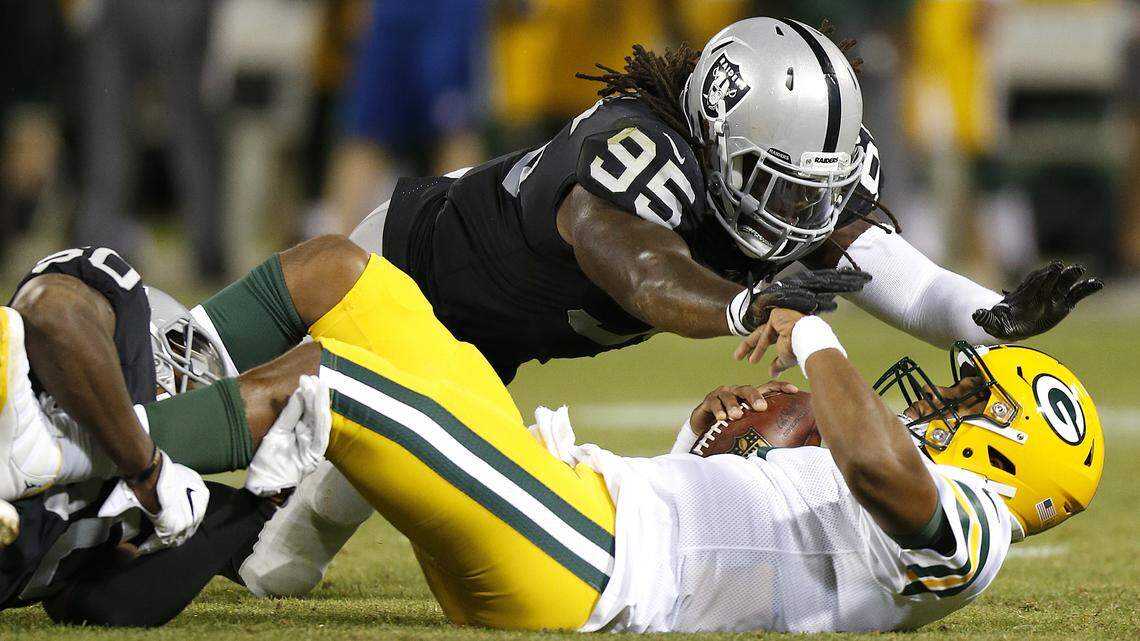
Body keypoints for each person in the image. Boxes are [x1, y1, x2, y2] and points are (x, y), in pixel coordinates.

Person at [224, 15, 1101, 597]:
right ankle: (133, 421)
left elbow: (887, 265)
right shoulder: (640, 149)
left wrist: (990, 316)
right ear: (720, 131)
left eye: (813, 196)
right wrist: (749, 303)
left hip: (492, 342)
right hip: (414, 262)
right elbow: (643, 273)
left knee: (287, 559)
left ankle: (162, 495)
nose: (800, 217)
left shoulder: (786, 177)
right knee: (235, 380)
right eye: (779, 189)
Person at [143, 247, 1102, 631]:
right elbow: (738, 544)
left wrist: (813, 330)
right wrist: (713, 436)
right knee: (345, 279)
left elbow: (882, 469)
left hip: (585, 560)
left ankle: (99, 452)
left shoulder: (973, 534)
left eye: (965, 392)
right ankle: (160, 399)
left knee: (340, 386)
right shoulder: (886, 517)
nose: (936, 393)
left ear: (1016, 446)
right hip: (575, 502)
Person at [0, 247, 323, 626]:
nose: (186, 401)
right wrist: (144, 469)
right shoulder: (59, 373)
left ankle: (44, 461)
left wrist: (263, 499)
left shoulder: (178, 498)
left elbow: (104, 607)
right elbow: (54, 312)